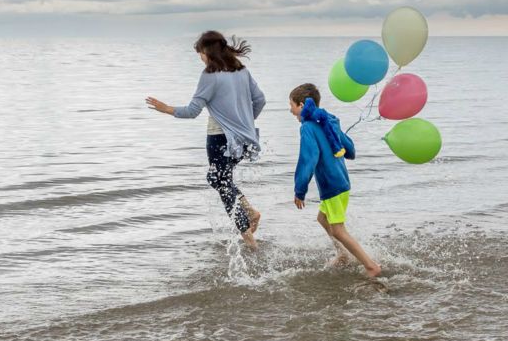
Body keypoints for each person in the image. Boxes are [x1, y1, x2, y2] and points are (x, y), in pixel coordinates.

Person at [146, 31, 266, 249]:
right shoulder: (241, 70)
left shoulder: (210, 75)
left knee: (221, 182)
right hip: (242, 139)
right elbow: (260, 100)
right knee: (219, 179)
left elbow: (193, 111)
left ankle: (249, 238)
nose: (200, 57)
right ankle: (250, 212)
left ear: (208, 52)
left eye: (200, 53)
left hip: (219, 138)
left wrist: (166, 109)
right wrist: (244, 123)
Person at [288, 83, 381, 277]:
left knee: (338, 230)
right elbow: (350, 149)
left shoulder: (307, 127)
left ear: (302, 105)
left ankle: (371, 266)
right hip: (342, 181)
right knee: (322, 218)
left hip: (331, 185)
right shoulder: (328, 120)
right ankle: (343, 254)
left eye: (292, 105)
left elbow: (308, 158)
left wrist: (300, 190)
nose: (290, 110)